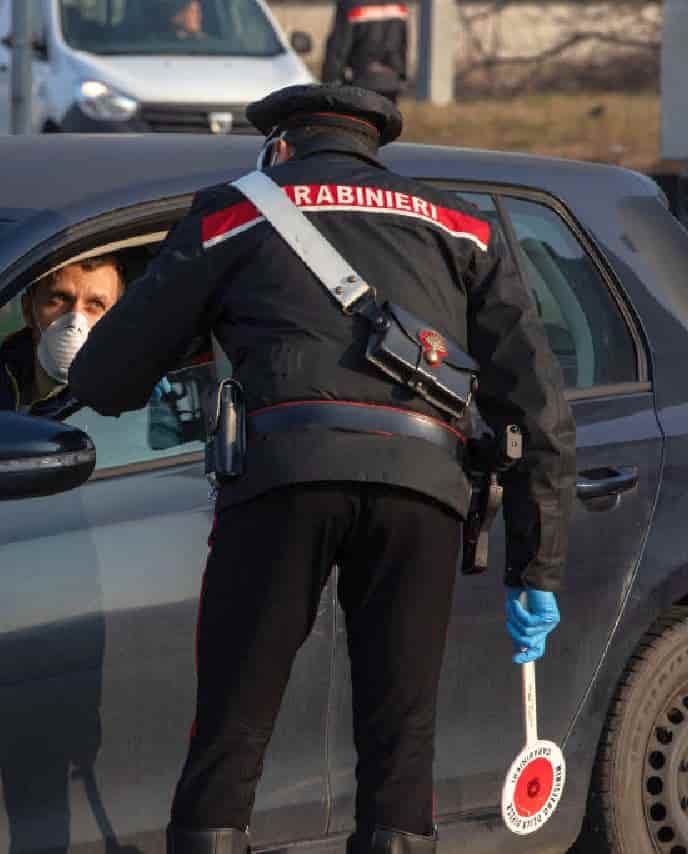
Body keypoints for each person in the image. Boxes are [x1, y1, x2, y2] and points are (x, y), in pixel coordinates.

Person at [69, 84, 575, 854]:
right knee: (401, 745)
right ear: (374, 147)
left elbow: (107, 380)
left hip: (283, 482)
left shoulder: (237, 210)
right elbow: (535, 404)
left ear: (279, 146)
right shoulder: (461, 225)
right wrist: (535, 565)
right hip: (423, 492)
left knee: (231, 734)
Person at [0, 255, 124, 429]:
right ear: (28, 309)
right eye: (59, 299)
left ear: (115, 320)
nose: (75, 320)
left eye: (95, 305)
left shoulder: (121, 404)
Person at [322, 0, 409, 103]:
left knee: (361, 118)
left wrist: (329, 84)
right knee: (386, 117)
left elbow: (338, 47)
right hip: (390, 81)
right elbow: (402, 42)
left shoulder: (349, 3)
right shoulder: (398, 3)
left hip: (361, 80)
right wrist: (401, 75)